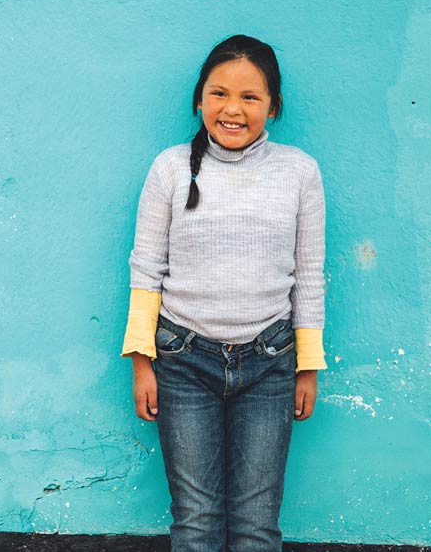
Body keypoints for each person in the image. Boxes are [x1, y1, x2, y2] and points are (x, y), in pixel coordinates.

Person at [121, 34, 327, 552]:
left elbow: (309, 272)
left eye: (251, 97)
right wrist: (142, 360)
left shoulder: (299, 172)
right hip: (183, 361)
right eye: (219, 94)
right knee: (195, 520)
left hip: (271, 363)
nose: (232, 109)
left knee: (258, 523)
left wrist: (307, 366)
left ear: (273, 107)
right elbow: (146, 268)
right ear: (199, 99)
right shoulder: (170, 168)